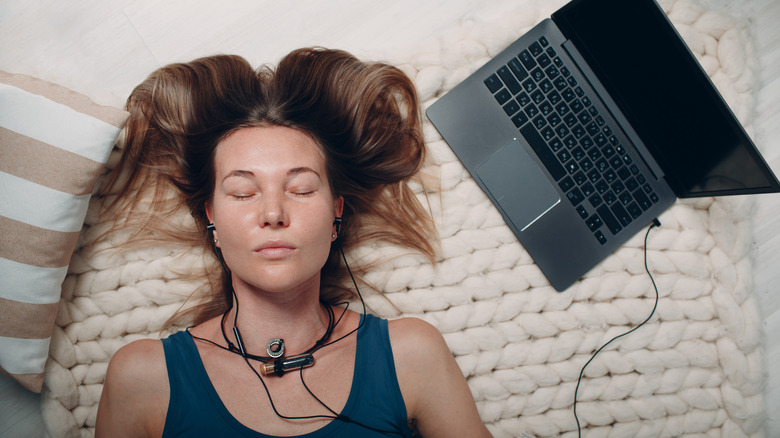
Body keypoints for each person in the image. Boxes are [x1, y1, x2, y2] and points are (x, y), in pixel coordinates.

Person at [95, 48, 492, 437]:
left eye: (301, 189)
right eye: (242, 192)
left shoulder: (411, 354)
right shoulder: (143, 378)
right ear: (211, 217)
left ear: (336, 214)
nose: (273, 213)